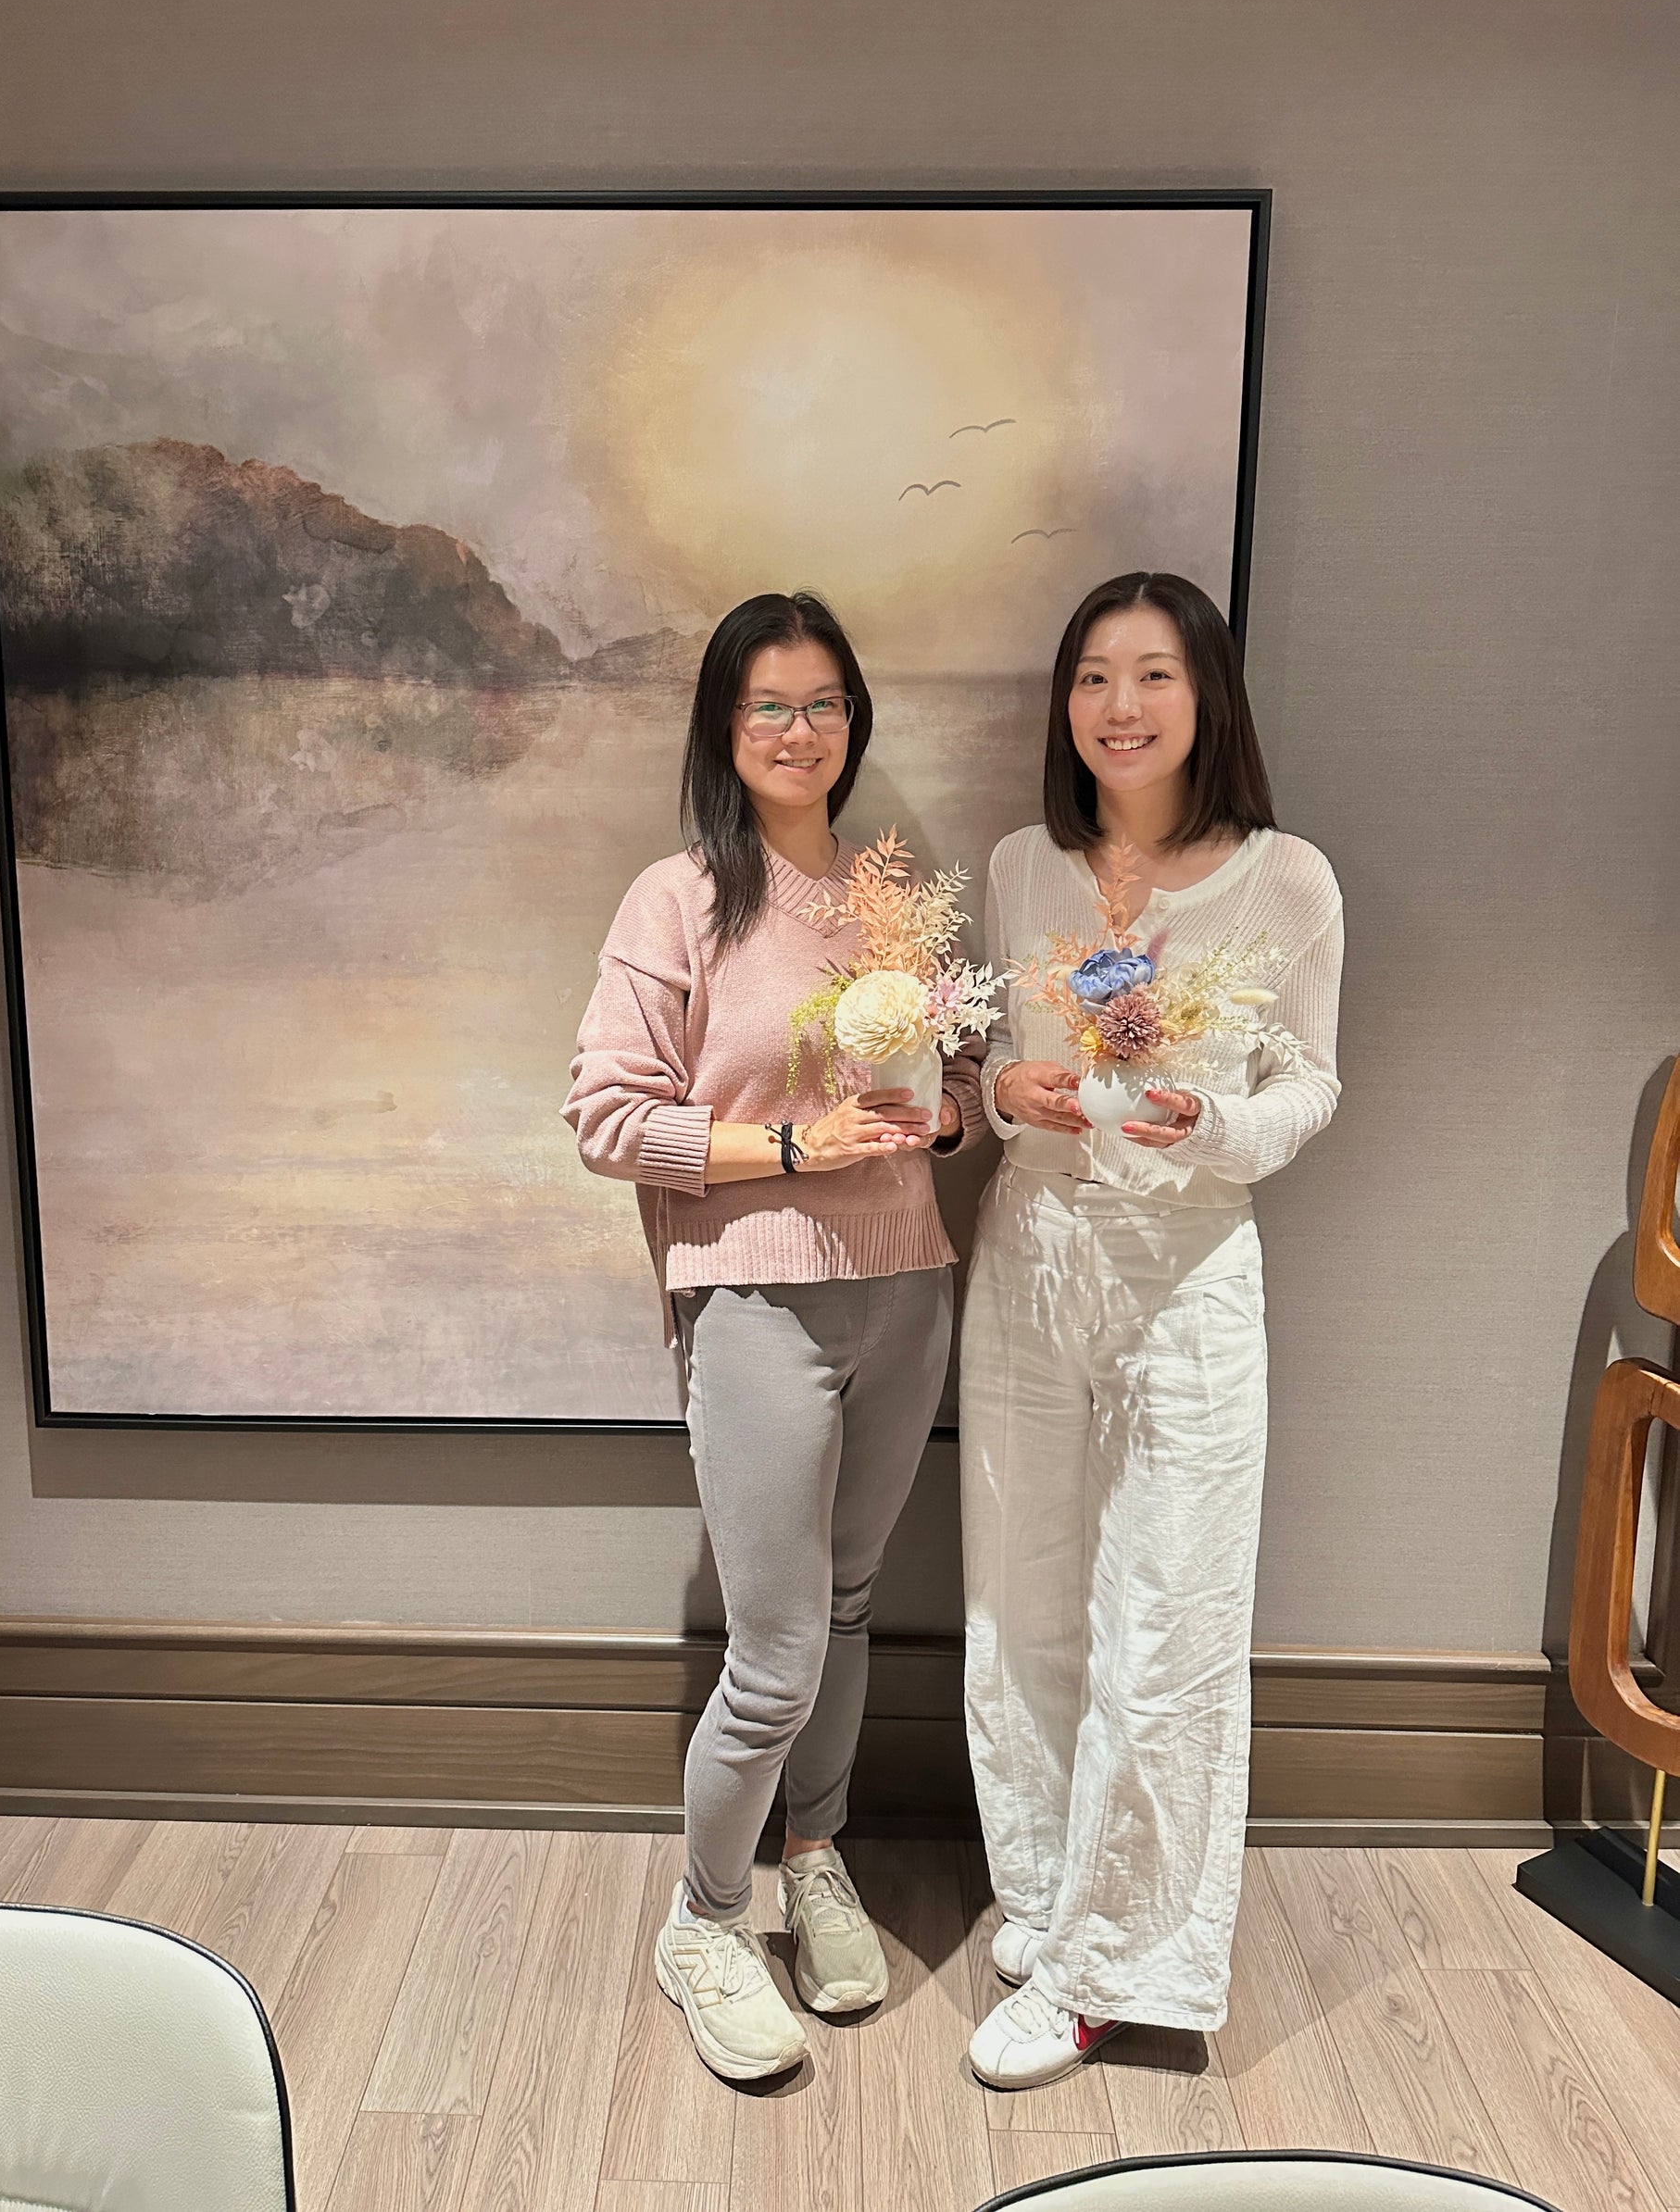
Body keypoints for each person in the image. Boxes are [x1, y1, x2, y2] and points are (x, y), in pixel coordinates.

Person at [564, 590, 982, 2085]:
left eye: (823, 704)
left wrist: (949, 1107)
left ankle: (816, 1855)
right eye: (767, 708)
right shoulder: (676, 898)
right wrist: (795, 1151)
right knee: (776, 1646)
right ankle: (704, 1921)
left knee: (853, 1600)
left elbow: (954, 1086)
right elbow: (606, 1118)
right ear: (723, 732)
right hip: (751, 1297)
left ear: (852, 722)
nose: (799, 731)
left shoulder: (893, 896)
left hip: (905, 1284)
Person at [961, 569, 1344, 2089]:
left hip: (1186, 1267)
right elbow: (992, 1048)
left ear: (1206, 699)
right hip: (1030, 1251)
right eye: (1094, 679)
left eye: (1154, 677)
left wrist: (1215, 1123)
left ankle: (1113, 1969)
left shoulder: (1284, 878)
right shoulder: (1018, 865)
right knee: (1022, 1594)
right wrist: (1004, 1094)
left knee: (1167, 1616)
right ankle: (1050, 1894)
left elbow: (1310, 1081)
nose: (1120, 708)